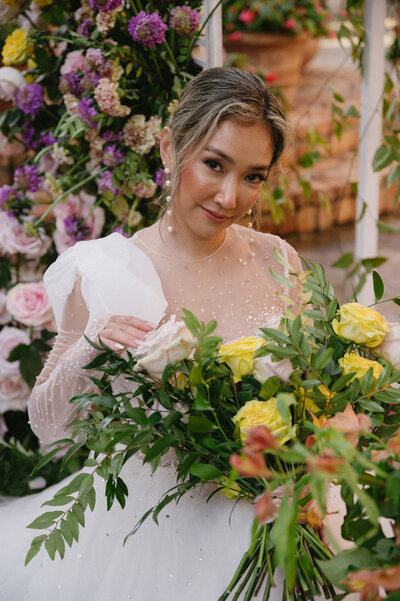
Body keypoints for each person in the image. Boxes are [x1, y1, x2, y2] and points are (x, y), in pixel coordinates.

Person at [0, 67, 303, 601]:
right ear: (169, 147)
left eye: (254, 176)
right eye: (214, 165)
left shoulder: (278, 259)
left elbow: (314, 393)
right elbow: (49, 426)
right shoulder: (107, 270)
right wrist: (90, 347)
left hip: (273, 515)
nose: (231, 196)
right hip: (154, 533)